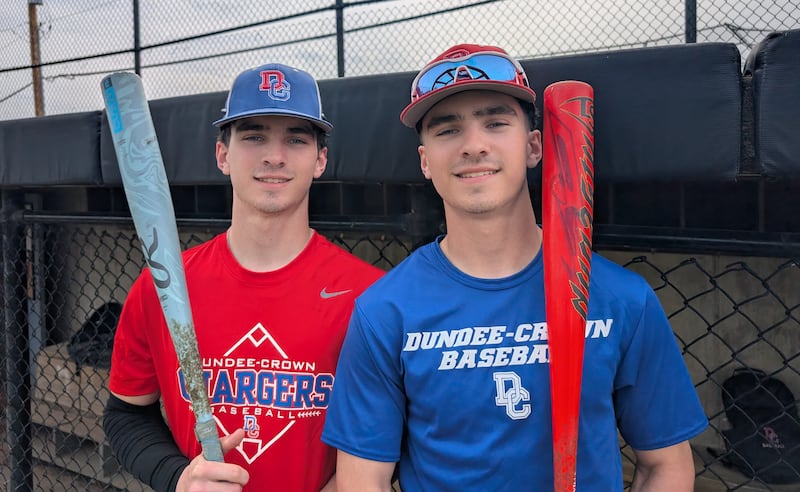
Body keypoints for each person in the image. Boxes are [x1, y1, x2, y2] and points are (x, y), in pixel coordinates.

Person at [321, 44, 708, 491]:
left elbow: (665, 465)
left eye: (495, 123)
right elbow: (361, 481)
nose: (474, 145)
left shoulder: (621, 298)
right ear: (425, 161)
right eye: (448, 131)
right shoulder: (386, 311)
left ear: (533, 146)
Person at [104, 63, 384, 492]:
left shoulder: (369, 295)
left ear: (320, 159)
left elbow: (394, 432)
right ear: (222, 155)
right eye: (254, 137)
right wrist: (178, 478)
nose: (275, 155)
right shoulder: (161, 285)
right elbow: (126, 413)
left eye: (296, 138)